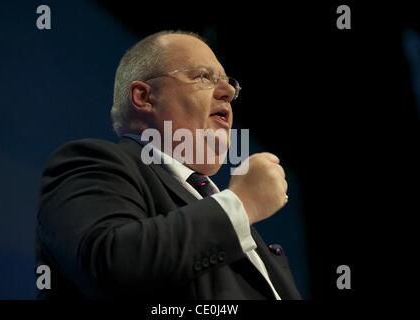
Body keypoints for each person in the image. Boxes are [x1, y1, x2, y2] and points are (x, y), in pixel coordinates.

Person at [35, 30, 302, 300]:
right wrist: (242, 203)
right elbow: (109, 264)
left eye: (229, 83)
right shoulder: (91, 161)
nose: (229, 92)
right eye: (203, 77)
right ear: (144, 97)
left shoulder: (215, 206)